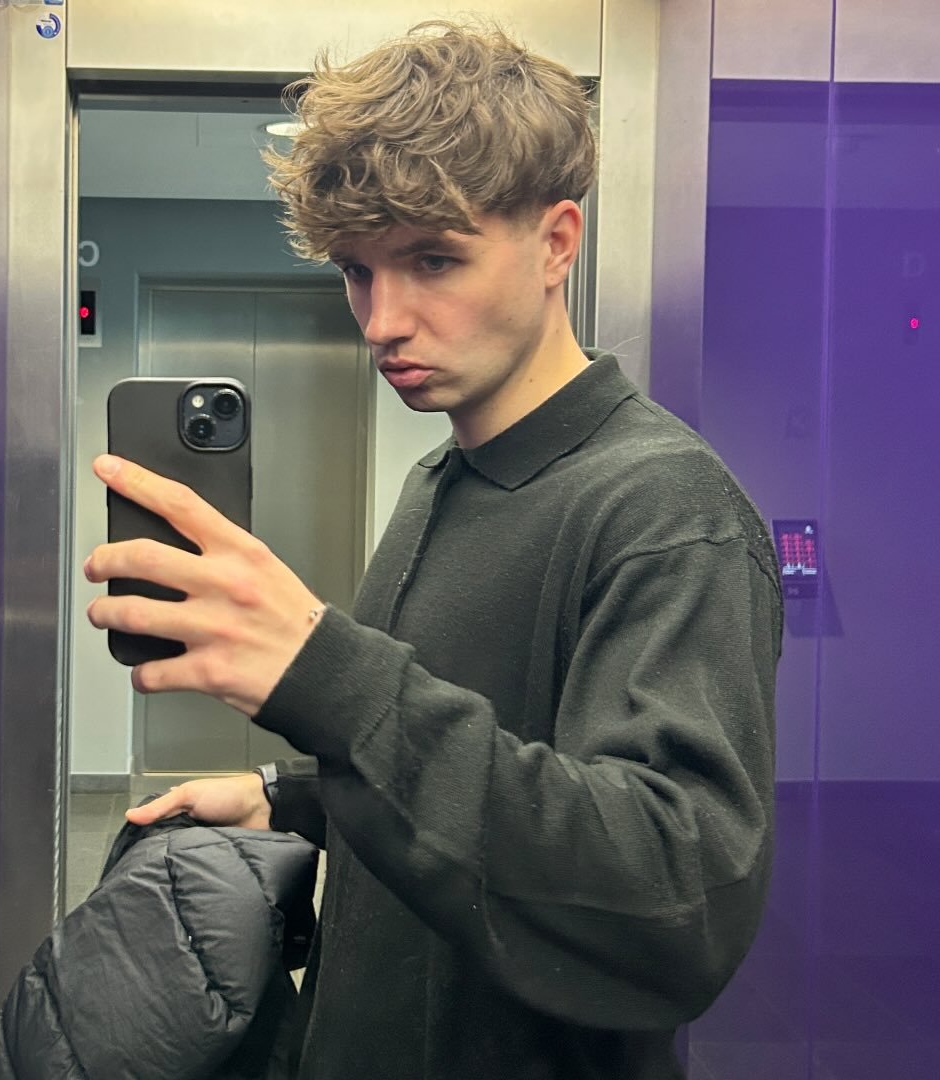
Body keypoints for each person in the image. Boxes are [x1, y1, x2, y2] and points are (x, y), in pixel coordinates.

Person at [83, 20, 782, 1080]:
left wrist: (327, 672)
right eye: (357, 272)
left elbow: (671, 903)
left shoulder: (666, 510)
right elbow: (478, 770)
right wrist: (295, 801)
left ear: (556, 243)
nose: (382, 321)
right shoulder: (439, 483)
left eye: (434, 260)